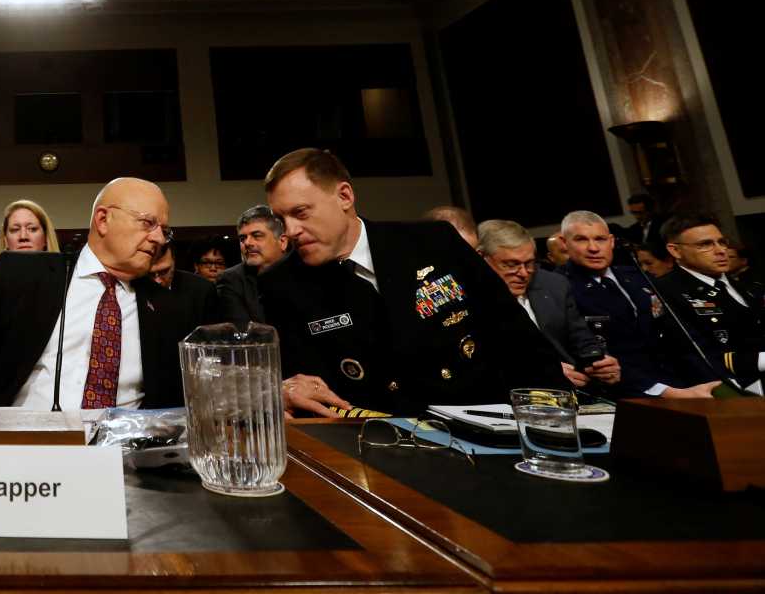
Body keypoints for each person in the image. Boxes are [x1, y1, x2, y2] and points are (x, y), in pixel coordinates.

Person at [257, 148, 565, 417]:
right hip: (379, 442)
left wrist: (555, 420)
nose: (290, 231)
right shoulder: (282, 284)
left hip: (483, 423)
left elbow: (519, 339)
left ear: (344, 196)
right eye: (281, 220)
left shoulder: (433, 243)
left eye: (300, 213)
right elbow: (304, 384)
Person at [0, 178, 188, 411]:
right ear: (103, 219)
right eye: (148, 223)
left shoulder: (171, 306)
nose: (159, 239)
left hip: (125, 464)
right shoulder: (21, 277)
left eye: (164, 231)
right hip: (25, 457)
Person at [561, 210, 716, 398]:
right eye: (581, 240)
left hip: (680, 383)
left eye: (600, 239)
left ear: (611, 241)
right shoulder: (559, 287)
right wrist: (666, 392)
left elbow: (674, 334)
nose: (593, 248)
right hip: (622, 394)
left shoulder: (636, 276)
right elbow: (596, 359)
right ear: (564, 244)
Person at [476, 219, 618, 389]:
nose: (523, 273)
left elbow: (581, 338)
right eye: (511, 265)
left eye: (529, 264)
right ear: (481, 258)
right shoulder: (468, 298)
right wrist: (543, 371)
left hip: (573, 391)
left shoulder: (554, 284)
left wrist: (600, 362)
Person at [656, 212, 762, 394]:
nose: (721, 251)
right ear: (675, 250)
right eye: (705, 244)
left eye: (722, 242)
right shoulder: (665, 291)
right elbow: (693, 356)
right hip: (722, 390)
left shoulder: (749, 286)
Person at [0, 200, 59, 317]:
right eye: (15, 230)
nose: (23, 236)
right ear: (6, 240)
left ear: (45, 238)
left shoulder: (64, 277)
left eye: (32, 229)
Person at [216, 205, 291, 328]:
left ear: (282, 242)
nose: (247, 243)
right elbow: (244, 336)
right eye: (242, 238)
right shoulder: (231, 280)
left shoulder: (306, 272)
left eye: (257, 236)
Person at [150, 243, 215, 334]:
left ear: (174, 261)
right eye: (150, 274)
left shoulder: (202, 290)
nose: (157, 281)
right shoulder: (133, 286)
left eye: (164, 272)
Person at [619, 192, 667, 256]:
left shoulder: (664, 224)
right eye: (634, 213)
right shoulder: (634, 228)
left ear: (650, 210)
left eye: (640, 212)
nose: (637, 216)